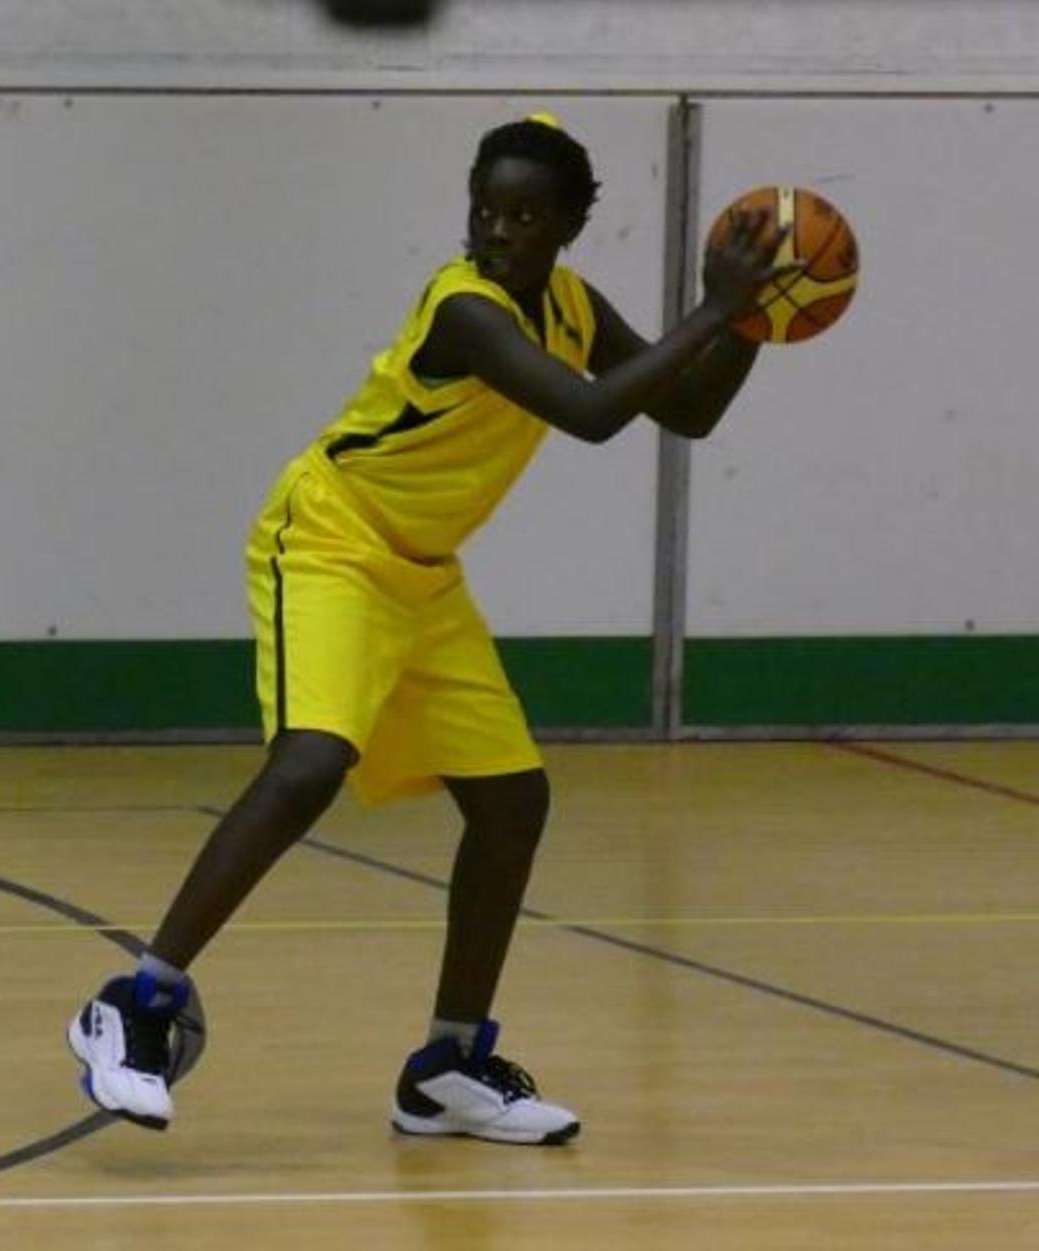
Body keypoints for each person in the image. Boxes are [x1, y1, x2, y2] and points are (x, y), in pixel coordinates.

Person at [67, 113, 787, 1146]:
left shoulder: (573, 306)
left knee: (513, 804)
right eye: (484, 209)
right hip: (328, 537)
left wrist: (754, 323)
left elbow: (691, 412)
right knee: (312, 762)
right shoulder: (466, 309)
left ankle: (446, 1066)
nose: (497, 230)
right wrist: (712, 307)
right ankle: (132, 1005)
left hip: (420, 573)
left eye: (524, 215)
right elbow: (591, 415)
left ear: (571, 224)